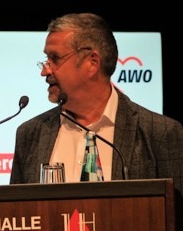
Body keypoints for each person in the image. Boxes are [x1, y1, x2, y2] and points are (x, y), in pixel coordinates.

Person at [10, 12, 183, 193]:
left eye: (55, 59)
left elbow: (174, 208)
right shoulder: (30, 135)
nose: (45, 71)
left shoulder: (160, 134)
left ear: (92, 62)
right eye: (46, 59)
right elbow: (17, 209)